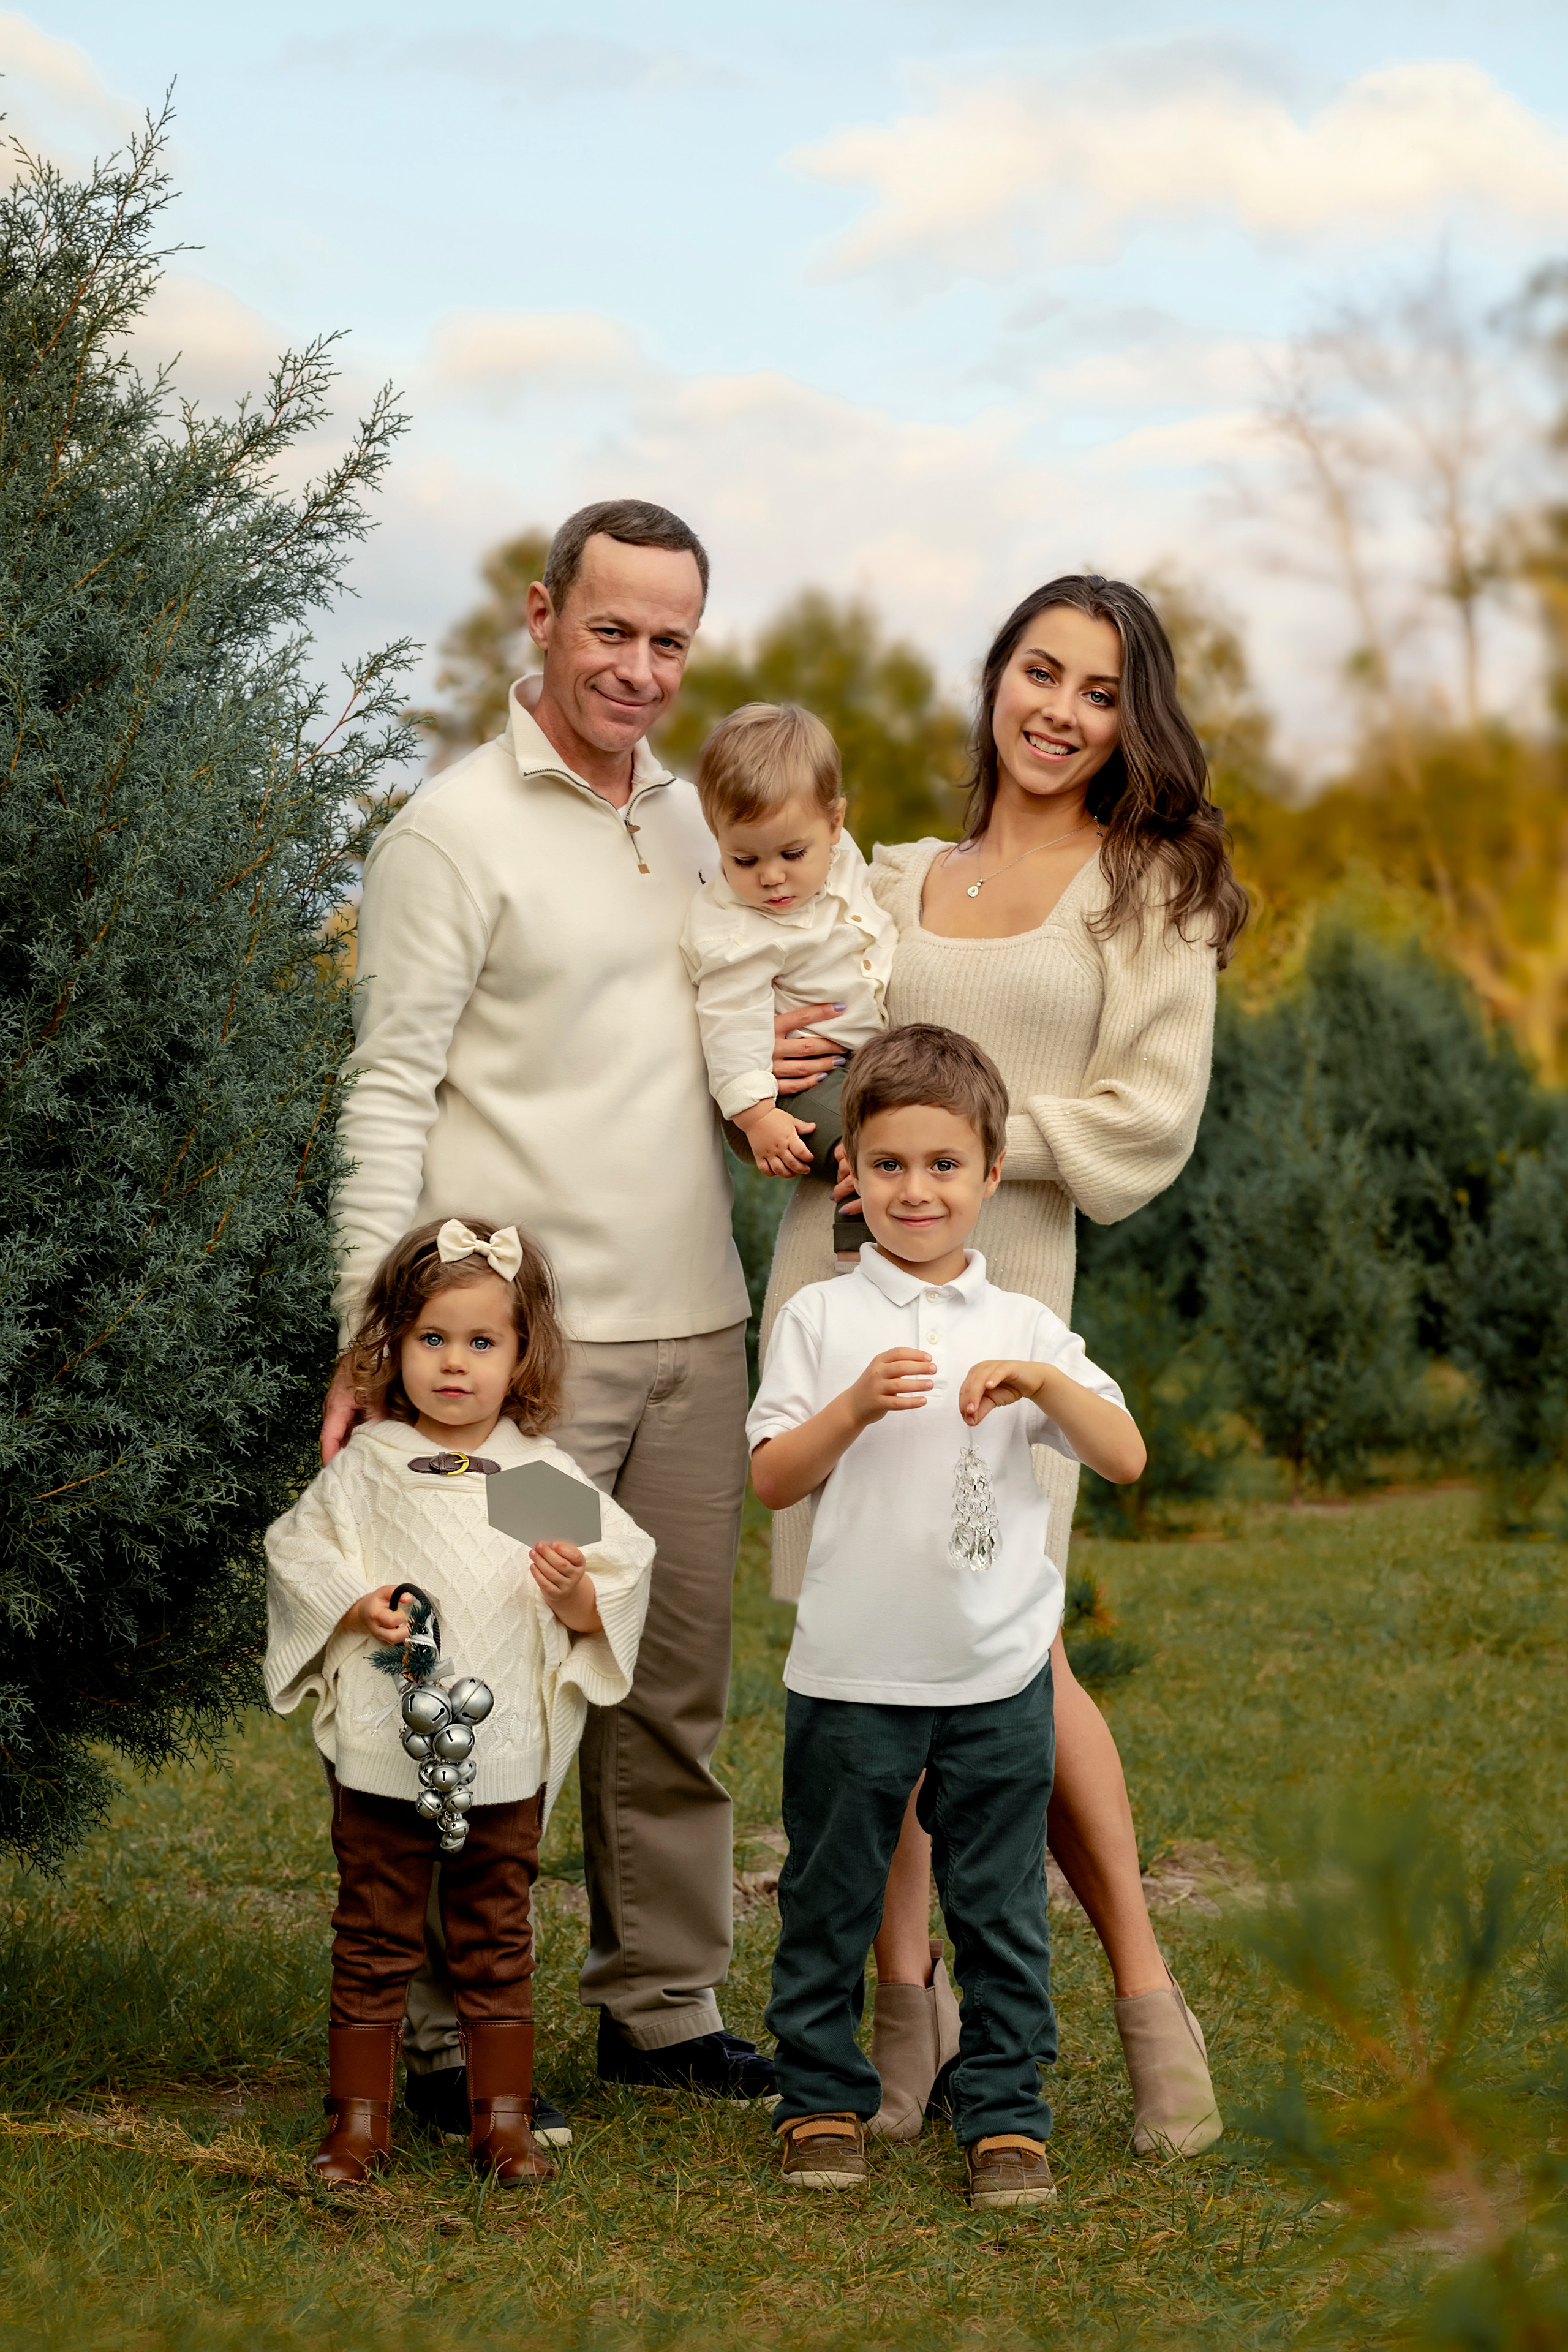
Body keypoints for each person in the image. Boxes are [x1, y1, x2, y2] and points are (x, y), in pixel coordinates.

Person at [763, 574, 1247, 2156]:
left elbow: (1146, 1121)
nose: (1061, 710)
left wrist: (958, 1149)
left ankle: (1148, 2001)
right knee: (875, 1648)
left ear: (1130, 721)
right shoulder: (893, 877)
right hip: (843, 1282)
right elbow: (794, 1026)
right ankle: (907, 2008)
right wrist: (789, 1080)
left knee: (1015, 1655)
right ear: (997, 679)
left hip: (1009, 1292)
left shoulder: (1146, 891)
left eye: (1100, 692)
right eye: (1041, 672)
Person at [320, 499, 774, 2130]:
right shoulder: (451, 833)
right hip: (522, 1368)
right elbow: (388, 1090)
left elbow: (735, 1020)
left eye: (670, 641)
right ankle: (448, 2036)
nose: (638, 668)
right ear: (541, 615)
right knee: (492, 1680)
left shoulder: (702, 824)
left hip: (696, 1329)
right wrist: (369, 1335)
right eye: (611, 630)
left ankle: (661, 2009)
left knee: (671, 1691)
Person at [749, 1027, 1145, 2206]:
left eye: (942, 1166)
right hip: (852, 1674)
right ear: (852, 1174)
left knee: (1002, 1908)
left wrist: (1048, 1384)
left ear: (990, 1171)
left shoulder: (1022, 1327)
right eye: (888, 1166)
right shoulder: (821, 1319)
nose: (915, 1191)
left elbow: (1124, 1456)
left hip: (997, 1676)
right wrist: (852, 1410)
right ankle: (821, 2103)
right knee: (829, 1902)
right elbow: (772, 1479)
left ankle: (1007, 2116)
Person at [266, 1216, 656, 2187]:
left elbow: (622, 1561)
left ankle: (502, 2122)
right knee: (374, 1932)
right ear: (393, 1347)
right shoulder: (375, 1467)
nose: (454, 1363)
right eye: (432, 1338)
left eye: (482, 1342)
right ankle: (357, 2125)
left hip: (501, 1746)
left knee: (495, 1934)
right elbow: (297, 1549)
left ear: (522, 1354)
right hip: (384, 1745)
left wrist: (577, 1595)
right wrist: (354, 1602)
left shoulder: (525, 1480)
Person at [679, 701, 895, 1248]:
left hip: (866, 1059)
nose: (772, 877)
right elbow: (729, 1022)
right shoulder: (736, 930)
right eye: (744, 861)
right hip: (801, 1083)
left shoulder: (841, 854)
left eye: (792, 854)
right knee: (872, 1145)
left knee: (911, 1125)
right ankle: (861, 1257)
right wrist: (757, 1118)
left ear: (836, 824)